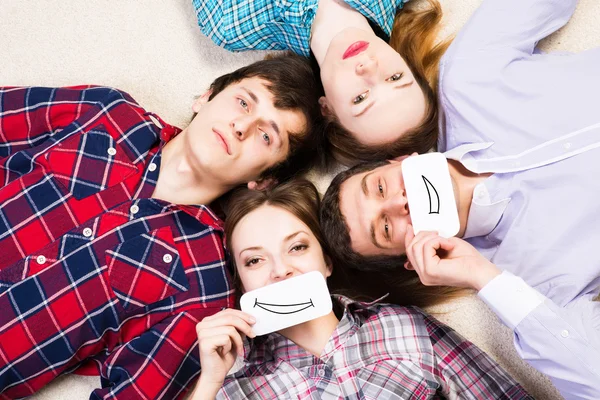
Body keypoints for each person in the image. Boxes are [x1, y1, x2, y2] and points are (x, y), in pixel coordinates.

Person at [0, 54, 324, 399]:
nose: (242, 126)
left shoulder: (205, 288)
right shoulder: (108, 112)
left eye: (266, 136)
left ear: (264, 180)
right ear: (208, 95)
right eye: (243, 102)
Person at [319, 0, 600, 397]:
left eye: (381, 187)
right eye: (386, 226)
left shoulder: (468, 78)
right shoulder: (530, 283)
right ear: (411, 258)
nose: (400, 204)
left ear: (401, 159)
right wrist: (482, 277)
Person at [189, 179, 532, 399]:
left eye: (297, 247)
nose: (281, 270)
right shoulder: (232, 387)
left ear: (327, 261)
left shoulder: (405, 327)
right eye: (254, 261)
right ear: (242, 282)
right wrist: (208, 385)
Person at [194, 0, 449, 163]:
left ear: (326, 108)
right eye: (395, 77)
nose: (368, 66)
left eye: (360, 98)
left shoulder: (231, 25)